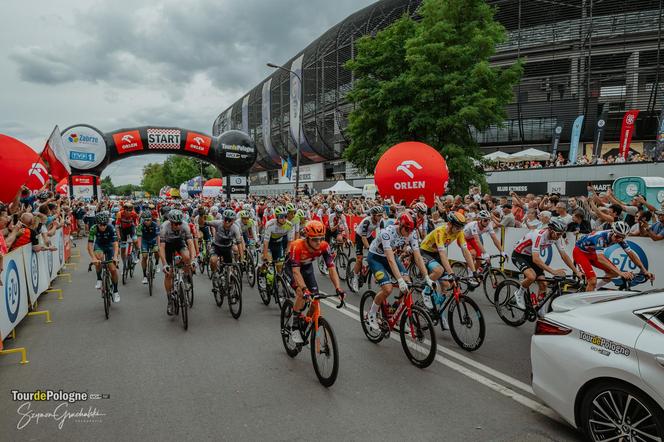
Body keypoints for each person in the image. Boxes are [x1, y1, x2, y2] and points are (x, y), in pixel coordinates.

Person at [365, 212, 432, 331]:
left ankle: (397, 313)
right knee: (388, 288)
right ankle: (371, 313)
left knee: (408, 284)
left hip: (390, 255)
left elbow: (417, 257)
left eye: (411, 229)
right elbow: (390, 260)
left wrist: (427, 277)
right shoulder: (387, 232)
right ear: (400, 225)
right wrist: (399, 281)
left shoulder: (412, 234)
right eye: (407, 229)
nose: (409, 232)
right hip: (375, 257)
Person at [285, 220, 345, 344]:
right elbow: (296, 272)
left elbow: (332, 268)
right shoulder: (297, 245)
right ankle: (295, 325)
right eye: (314, 239)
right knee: (301, 293)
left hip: (306, 268)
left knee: (315, 298)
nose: (318, 242)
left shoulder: (324, 245)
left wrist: (338, 288)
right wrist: (303, 289)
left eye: (320, 238)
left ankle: (306, 320)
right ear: (307, 238)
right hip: (292, 269)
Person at [511, 219, 580, 310]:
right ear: (551, 230)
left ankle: (540, 310)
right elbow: (536, 259)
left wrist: (576, 271)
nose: (559, 237)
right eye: (558, 234)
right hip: (519, 255)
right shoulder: (539, 235)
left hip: (530, 256)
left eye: (561, 234)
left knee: (543, 284)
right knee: (531, 276)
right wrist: (553, 271)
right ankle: (519, 293)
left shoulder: (556, 237)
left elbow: (564, 255)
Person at [573, 221, 654, 291]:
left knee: (613, 273)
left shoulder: (620, 239)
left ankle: (595, 288)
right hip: (580, 252)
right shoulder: (600, 238)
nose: (619, 239)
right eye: (617, 236)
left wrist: (644, 271)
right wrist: (621, 273)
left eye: (622, 238)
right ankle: (587, 305)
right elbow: (600, 258)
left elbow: (632, 255)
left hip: (592, 252)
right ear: (612, 232)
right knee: (592, 281)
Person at [419, 212, 475, 311]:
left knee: (447, 285)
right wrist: (451, 273)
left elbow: (466, 252)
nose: (459, 230)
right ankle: (426, 290)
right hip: (425, 251)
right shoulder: (440, 231)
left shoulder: (459, 232)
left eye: (461, 227)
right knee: (438, 271)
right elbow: (442, 254)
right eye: (457, 227)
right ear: (450, 224)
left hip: (436, 253)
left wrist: (474, 272)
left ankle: (437, 309)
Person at [159, 209, 196, 315]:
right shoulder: (164, 227)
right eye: (175, 224)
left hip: (179, 242)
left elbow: (190, 244)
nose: (178, 226)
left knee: (187, 257)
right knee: (168, 274)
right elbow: (161, 247)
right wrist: (165, 264)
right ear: (170, 222)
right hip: (168, 245)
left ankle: (186, 276)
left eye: (179, 223)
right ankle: (170, 300)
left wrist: (192, 260)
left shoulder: (185, 225)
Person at [87, 212, 120, 302]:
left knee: (113, 269)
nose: (102, 227)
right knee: (98, 258)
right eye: (100, 225)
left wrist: (115, 256)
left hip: (109, 246)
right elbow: (89, 245)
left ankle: (116, 291)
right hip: (99, 245)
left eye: (104, 224)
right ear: (97, 223)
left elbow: (115, 245)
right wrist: (93, 258)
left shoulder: (111, 228)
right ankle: (99, 279)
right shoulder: (93, 228)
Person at [350, 206, 384, 292]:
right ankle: (355, 278)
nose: (380, 217)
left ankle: (371, 271)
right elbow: (363, 237)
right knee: (359, 259)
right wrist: (369, 248)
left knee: (377, 254)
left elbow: (383, 235)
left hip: (369, 236)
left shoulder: (381, 221)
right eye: (378, 215)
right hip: (360, 236)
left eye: (381, 215)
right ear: (373, 215)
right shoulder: (367, 221)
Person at [206, 209, 244, 279]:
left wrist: (242, 259)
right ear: (223, 219)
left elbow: (239, 244)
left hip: (227, 248)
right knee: (213, 260)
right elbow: (204, 223)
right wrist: (202, 216)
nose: (227, 222)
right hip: (216, 247)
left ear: (233, 221)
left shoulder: (235, 229)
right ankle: (214, 274)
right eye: (225, 219)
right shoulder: (217, 223)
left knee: (229, 267)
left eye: (229, 220)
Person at [137, 210, 160, 284]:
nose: (147, 221)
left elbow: (158, 237)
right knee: (144, 256)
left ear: (151, 219)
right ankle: (144, 276)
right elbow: (139, 237)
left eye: (148, 220)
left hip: (153, 240)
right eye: (145, 220)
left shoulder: (155, 225)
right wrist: (139, 248)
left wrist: (159, 246)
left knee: (156, 251)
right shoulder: (141, 225)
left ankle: (156, 264)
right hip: (145, 241)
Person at [115, 202, 140, 266]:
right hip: (122, 229)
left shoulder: (134, 214)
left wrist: (136, 230)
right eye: (127, 210)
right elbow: (117, 226)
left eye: (130, 210)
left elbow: (136, 224)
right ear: (124, 209)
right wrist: (118, 236)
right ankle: (124, 264)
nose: (129, 212)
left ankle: (136, 254)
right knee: (123, 249)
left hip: (131, 228)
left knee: (135, 241)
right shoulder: (119, 214)